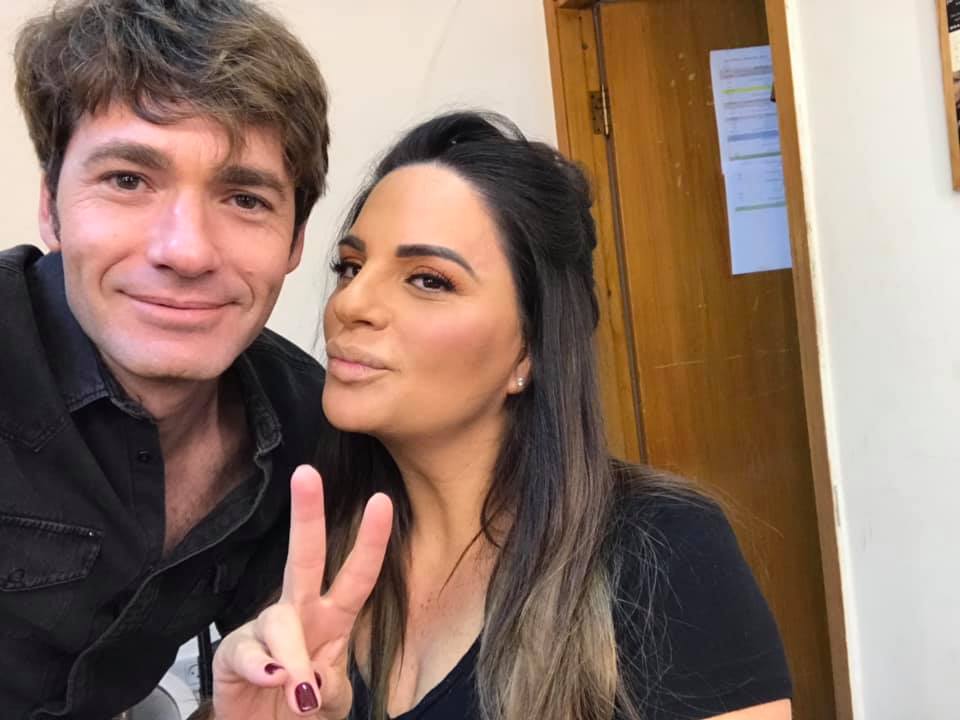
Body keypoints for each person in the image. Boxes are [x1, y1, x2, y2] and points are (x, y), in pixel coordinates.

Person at [208, 112, 794, 720]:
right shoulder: (307, 548)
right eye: (351, 267)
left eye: (428, 280)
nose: (351, 303)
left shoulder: (660, 550)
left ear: (529, 350)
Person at [0, 1, 342, 717]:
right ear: (51, 208)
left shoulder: (304, 429)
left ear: (294, 241)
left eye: (244, 198)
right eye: (128, 180)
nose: (186, 251)